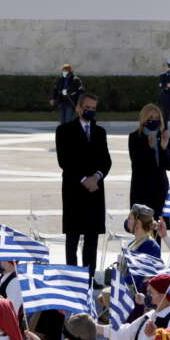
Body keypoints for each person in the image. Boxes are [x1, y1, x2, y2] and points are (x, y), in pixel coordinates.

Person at [55, 93, 111, 278]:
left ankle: (89, 279)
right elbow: (64, 160)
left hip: (95, 191)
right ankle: (72, 278)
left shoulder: (100, 132)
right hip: (74, 191)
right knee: (72, 238)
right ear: (78, 108)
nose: (90, 111)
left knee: (91, 239)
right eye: (87, 107)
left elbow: (106, 161)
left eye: (94, 108)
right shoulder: (64, 131)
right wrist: (83, 179)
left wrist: (96, 177)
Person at [128, 104, 170, 225]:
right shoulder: (135, 137)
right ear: (143, 118)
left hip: (160, 190)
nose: (154, 120)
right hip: (142, 190)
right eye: (150, 117)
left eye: (157, 117)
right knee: (142, 231)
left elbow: (169, 165)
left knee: (158, 231)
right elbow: (137, 164)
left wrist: (163, 148)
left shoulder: (163, 136)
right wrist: (149, 148)